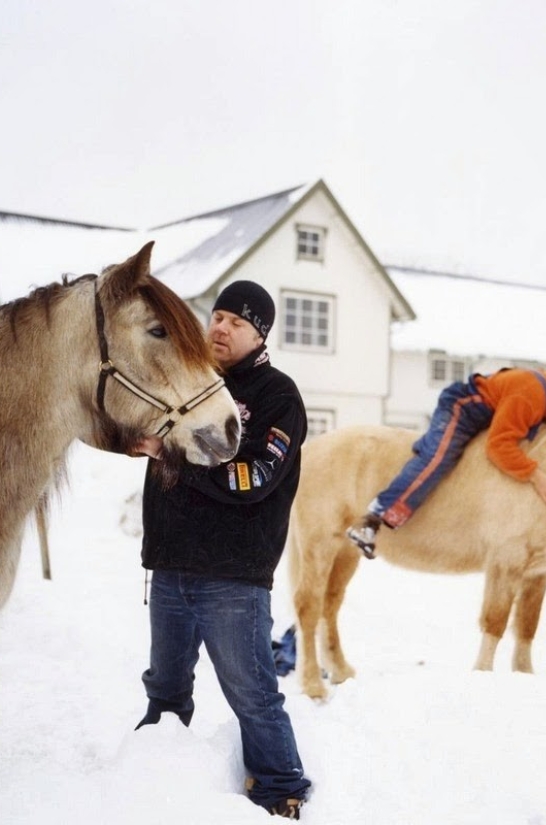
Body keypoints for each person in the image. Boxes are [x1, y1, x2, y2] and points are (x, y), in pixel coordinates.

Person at [134, 280, 311, 819]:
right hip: (170, 569)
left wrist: (171, 456)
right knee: (164, 688)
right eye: (217, 316)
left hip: (232, 578)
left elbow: (252, 478)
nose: (221, 327)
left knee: (253, 695)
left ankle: (280, 788)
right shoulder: (190, 384)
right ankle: (155, 780)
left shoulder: (278, 397)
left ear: (260, 334)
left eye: (237, 321)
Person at [346, 368, 546, 559]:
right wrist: (535, 475)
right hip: (464, 407)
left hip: (490, 414)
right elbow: (498, 447)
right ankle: (374, 519)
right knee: (438, 458)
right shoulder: (530, 397)